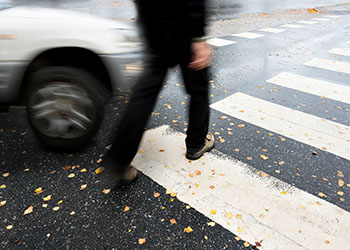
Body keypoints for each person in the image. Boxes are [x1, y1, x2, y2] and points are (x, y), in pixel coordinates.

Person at [103, 0, 214, 184]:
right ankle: (196, 144)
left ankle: (119, 158)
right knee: (198, 89)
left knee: (145, 93)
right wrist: (199, 38)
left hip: (152, 23)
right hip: (182, 24)